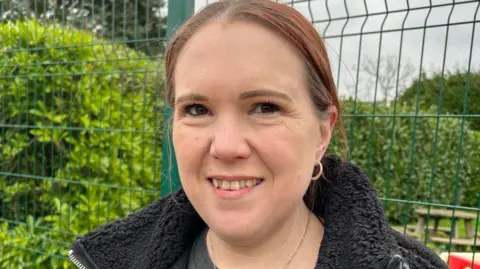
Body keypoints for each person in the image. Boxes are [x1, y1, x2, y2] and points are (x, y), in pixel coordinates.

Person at [68, 0, 448, 268]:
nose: (227, 146)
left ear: (322, 132)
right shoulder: (112, 257)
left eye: (266, 107)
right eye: (197, 109)